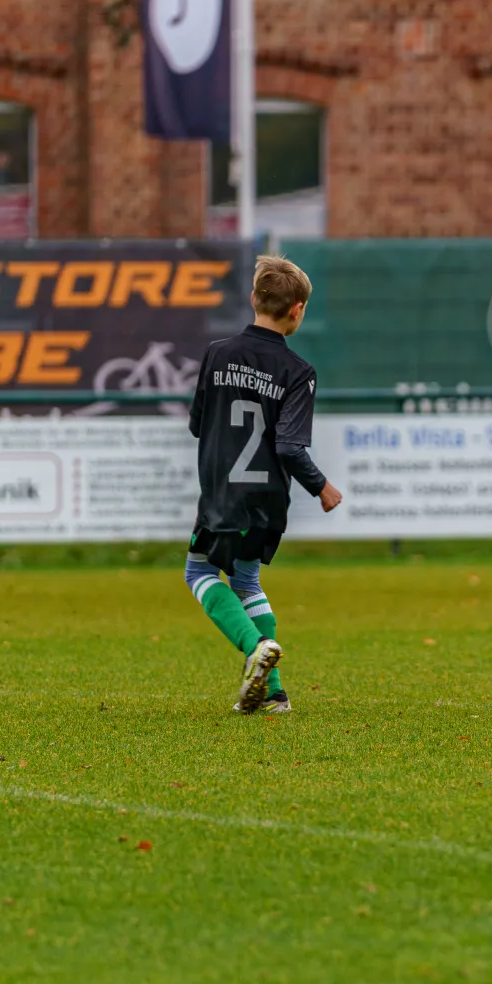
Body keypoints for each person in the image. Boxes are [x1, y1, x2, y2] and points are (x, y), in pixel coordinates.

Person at [185, 255, 342, 714]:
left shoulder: (217, 354)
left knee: (199, 573)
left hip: (224, 494)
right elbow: (289, 447)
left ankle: (256, 647)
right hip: (269, 498)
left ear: (254, 298)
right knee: (247, 580)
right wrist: (321, 486)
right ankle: (273, 694)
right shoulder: (299, 371)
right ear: (297, 310)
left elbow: (197, 425)